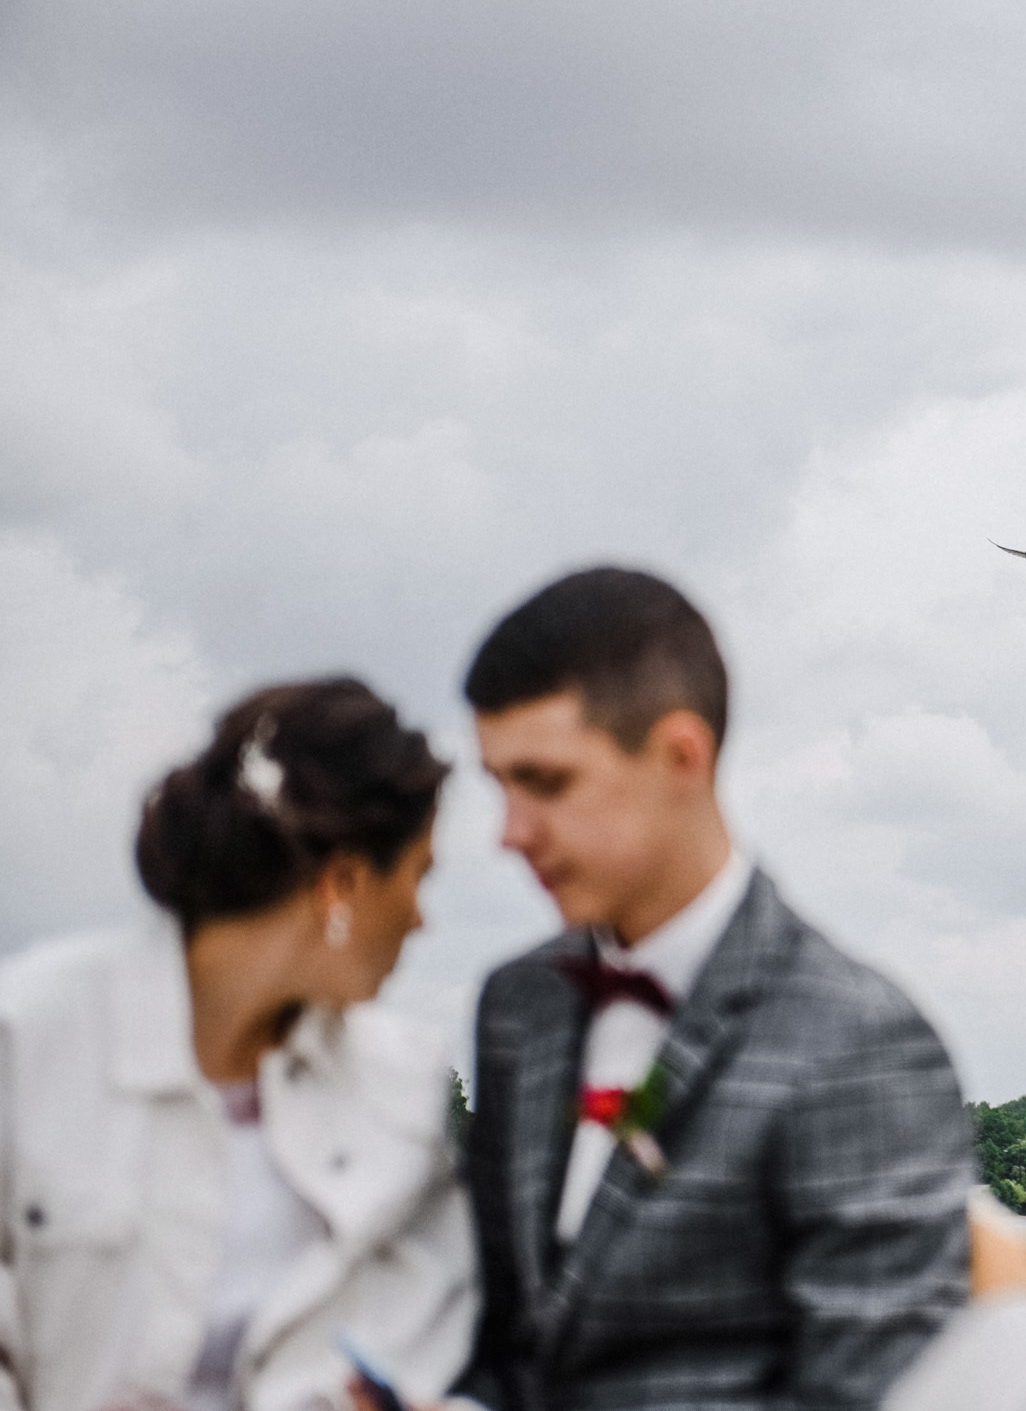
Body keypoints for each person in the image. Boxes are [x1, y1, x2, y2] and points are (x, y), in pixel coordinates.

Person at [455, 568, 970, 1411]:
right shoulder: (518, 1005)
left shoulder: (864, 1045)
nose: (510, 832)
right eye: (499, 784)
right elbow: (507, 1346)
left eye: (545, 782)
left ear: (680, 757)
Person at [0, 680, 478, 1411]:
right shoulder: (26, 1035)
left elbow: (434, 1344)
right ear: (343, 883)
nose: (421, 919)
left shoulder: (407, 1088)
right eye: (418, 877)